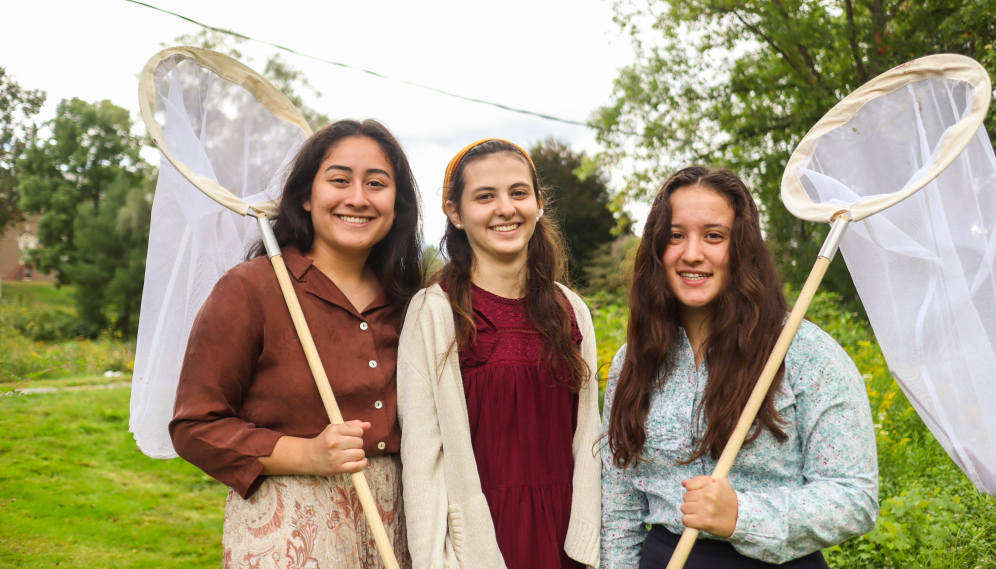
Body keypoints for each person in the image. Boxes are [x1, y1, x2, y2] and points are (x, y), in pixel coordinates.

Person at [170, 119, 422, 569]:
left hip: (400, 522)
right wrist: (306, 453)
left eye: (377, 184)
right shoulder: (250, 289)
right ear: (306, 196)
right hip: (291, 526)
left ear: (397, 205)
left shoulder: (413, 300)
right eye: (339, 180)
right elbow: (195, 427)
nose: (358, 198)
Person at [601, 166, 879, 568]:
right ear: (657, 249)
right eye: (676, 235)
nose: (692, 252)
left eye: (714, 236)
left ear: (743, 248)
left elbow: (855, 499)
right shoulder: (635, 359)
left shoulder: (805, 353)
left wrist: (742, 516)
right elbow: (619, 503)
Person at [396, 139, 602, 569]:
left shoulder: (572, 310)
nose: (505, 208)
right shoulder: (434, 312)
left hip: (565, 539)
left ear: (539, 203)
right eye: (485, 196)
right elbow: (422, 462)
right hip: (479, 544)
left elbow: (588, 441)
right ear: (454, 213)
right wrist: (436, 561)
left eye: (518, 193)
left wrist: (588, 544)